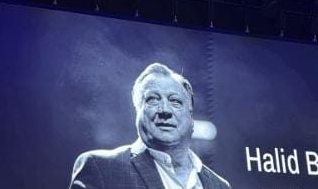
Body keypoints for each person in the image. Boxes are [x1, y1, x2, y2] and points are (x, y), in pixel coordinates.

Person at [70, 63, 230, 189]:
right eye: (153, 99)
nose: (165, 110)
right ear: (137, 111)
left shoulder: (219, 185)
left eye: (175, 101)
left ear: (190, 117)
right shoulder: (101, 167)